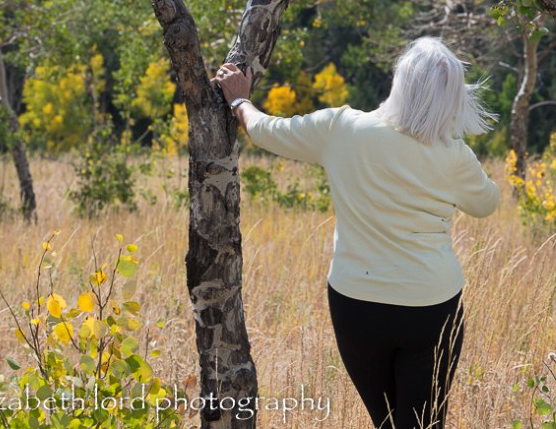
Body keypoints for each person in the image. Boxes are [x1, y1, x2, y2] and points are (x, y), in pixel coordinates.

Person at [212, 37, 501, 429]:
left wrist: (238, 100)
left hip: (357, 306)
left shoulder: (342, 128)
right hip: (432, 308)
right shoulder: (454, 156)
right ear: (452, 99)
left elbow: (266, 131)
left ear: (399, 82)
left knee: (387, 421)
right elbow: (487, 203)